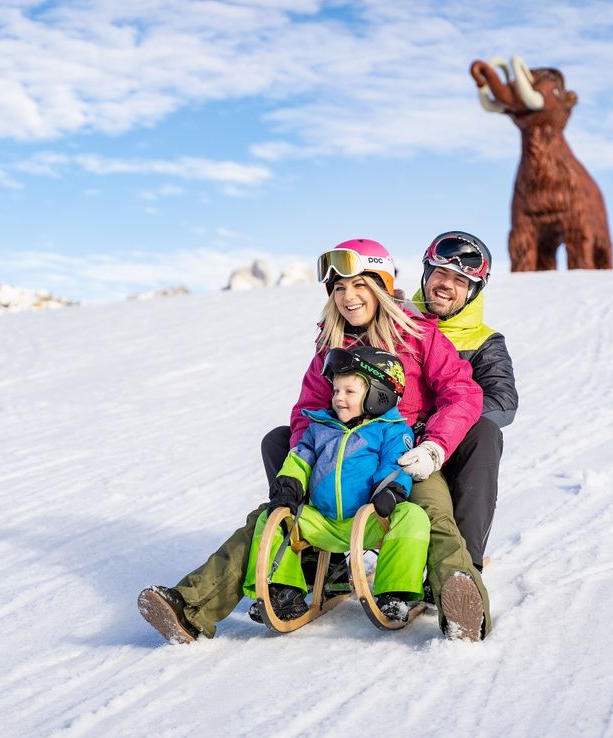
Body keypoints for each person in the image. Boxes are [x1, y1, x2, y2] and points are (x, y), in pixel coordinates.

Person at [139, 238, 490, 643]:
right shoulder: (330, 346)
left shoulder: (417, 335)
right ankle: (189, 608)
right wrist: (300, 470)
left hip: (401, 456)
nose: (348, 297)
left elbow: (463, 393)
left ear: (378, 286)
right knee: (268, 519)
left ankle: (462, 611)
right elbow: (306, 412)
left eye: (359, 286)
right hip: (338, 455)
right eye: (339, 288)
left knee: (431, 511)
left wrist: (433, 447)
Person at [243, 346, 429, 625]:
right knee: (272, 518)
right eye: (336, 391)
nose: (339, 399)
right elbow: (300, 458)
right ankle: (282, 591)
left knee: (414, 518)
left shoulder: (391, 430)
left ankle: (395, 594)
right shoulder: (320, 427)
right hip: (323, 523)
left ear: (379, 395)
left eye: (349, 392)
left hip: (370, 520)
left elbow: (395, 465)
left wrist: (390, 492)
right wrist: (288, 485)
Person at [404, 231, 517, 571]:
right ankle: (316, 560)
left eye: (459, 280)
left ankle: (463, 569)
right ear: (426, 273)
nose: (445, 285)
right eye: (440, 273)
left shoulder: (483, 342)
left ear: (472, 291)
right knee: (288, 436)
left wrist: (438, 424)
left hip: (448, 451)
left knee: (484, 433)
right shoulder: (397, 322)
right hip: (390, 438)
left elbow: (503, 400)